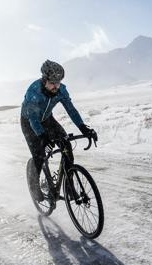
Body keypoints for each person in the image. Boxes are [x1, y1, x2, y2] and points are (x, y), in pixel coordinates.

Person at [21, 59, 97, 201]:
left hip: (47, 119)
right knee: (39, 155)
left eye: (58, 82)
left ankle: (69, 187)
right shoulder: (34, 91)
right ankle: (34, 185)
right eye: (52, 83)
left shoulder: (61, 90)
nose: (56, 86)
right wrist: (42, 137)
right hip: (29, 122)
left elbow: (71, 109)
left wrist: (83, 127)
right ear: (44, 80)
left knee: (66, 145)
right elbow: (33, 118)